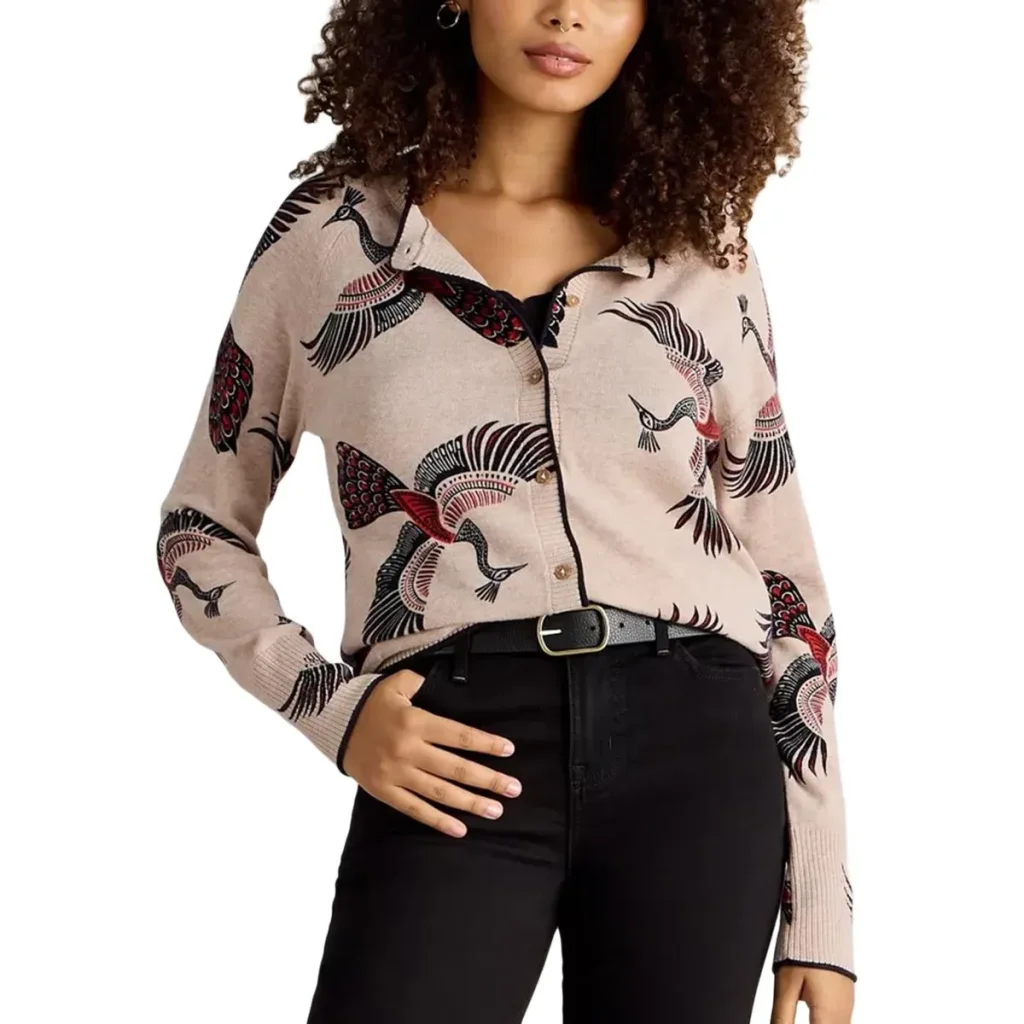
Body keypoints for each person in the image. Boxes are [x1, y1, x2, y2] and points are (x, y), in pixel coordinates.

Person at [155, 1, 856, 1021]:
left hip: (700, 756)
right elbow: (201, 529)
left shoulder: (705, 253)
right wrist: (331, 710)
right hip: (453, 747)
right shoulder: (332, 240)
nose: (566, 11)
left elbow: (786, 582)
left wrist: (822, 908)